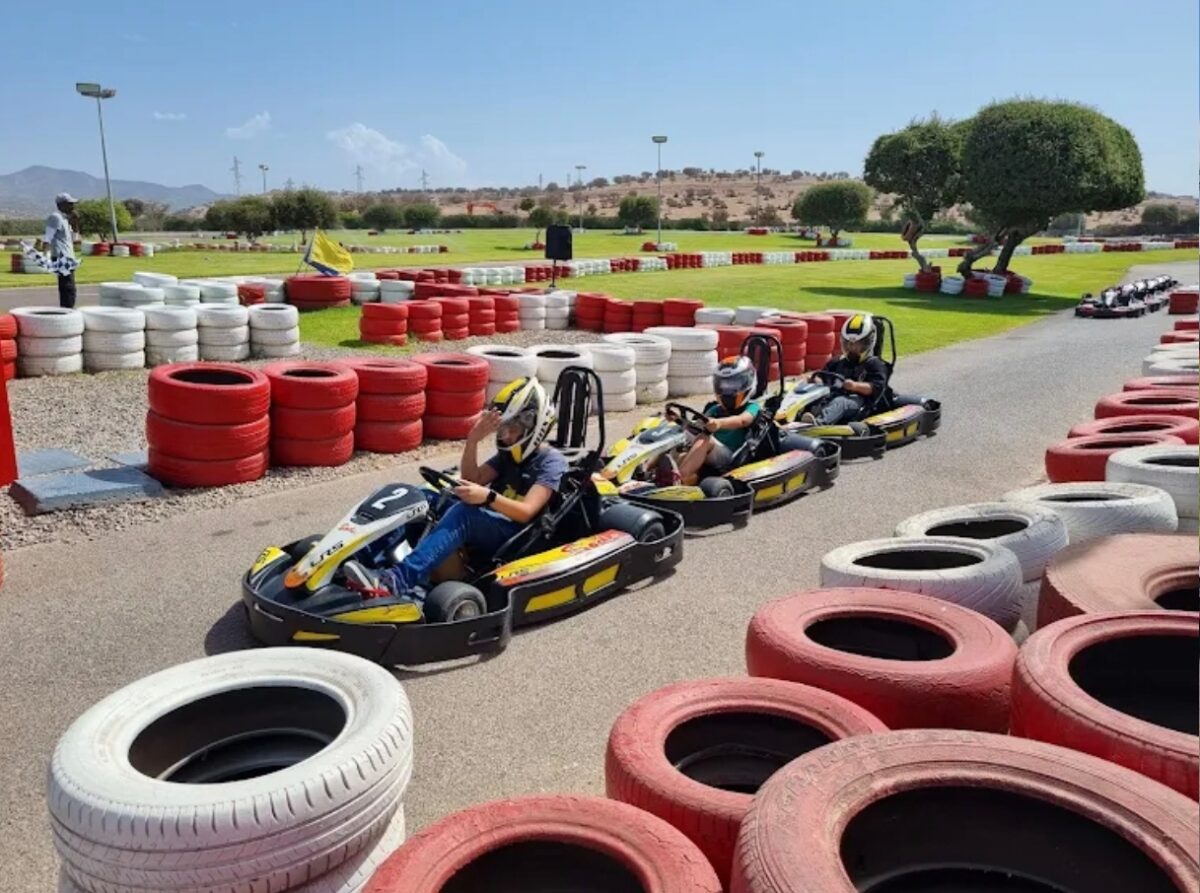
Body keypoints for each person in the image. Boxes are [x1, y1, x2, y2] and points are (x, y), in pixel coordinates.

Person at [342, 377, 567, 600]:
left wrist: (487, 497)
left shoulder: (551, 462)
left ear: (533, 425)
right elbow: (473, 478)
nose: (505, 435)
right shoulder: (507, 456)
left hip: (516, 533)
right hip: (492, 519)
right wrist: (473, 441)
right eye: (503, 428)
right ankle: (359, 558)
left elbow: (527, 511)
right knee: (422, 497)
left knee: (464, 513)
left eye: (512, 428)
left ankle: (396, 582)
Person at [672, 355, 760, 486]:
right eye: (724, 385)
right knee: (675, 434)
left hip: (731, 456)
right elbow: (698, 426)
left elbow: (743, 421)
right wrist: (678, 420)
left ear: (748, 382)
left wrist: (719, 423)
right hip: (709, 452)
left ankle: (678, 479)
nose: (727, 390)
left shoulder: (752, 407)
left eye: (733, 384)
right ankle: (645, 469)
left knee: (705, 439)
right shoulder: (714, 409)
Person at [800, 313, 889, 426]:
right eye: (849, 344)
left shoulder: (875, 364)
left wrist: (855, 386)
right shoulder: (838, 361)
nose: (852, 348)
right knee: (809, 391)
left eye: (857, 344)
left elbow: (877, 387)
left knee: (841, 402)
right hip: (833, 394)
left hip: (859, 401)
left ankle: (819, 424)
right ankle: (787, 416)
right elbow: (823, 376)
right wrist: (816, 381)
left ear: (868, 343)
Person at [37, 193, 79, 308]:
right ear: (61, 205)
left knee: (69, 287)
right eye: (70, 204)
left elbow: (75, 240)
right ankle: (67, 311)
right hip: (62, 257)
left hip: (68, 257)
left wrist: (75, 223)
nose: (73, 207)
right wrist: (44, 255)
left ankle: (67, 310)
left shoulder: (65, 219)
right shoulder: (55, 217)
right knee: (68, 287)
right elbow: (48, 236)